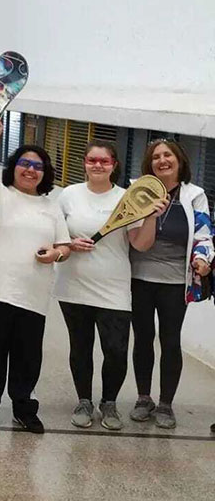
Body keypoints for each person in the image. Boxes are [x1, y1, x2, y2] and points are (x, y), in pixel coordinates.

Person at [0, 116, 70, 433]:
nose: (30, 170)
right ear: (13, 167)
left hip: (33, 295)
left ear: (45, 173)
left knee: (28, 358)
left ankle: (24, 409)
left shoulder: (51, 206)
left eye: (37, 166)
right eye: (24, 163)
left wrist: (56, 254)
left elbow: (64, 246)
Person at [56, 141, 161, 430]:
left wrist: (151, 217)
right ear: (84, 163)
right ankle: (84, 401)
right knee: (80, 347)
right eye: (92, 160)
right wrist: (69, 243)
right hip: (73, 286)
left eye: (104, 161)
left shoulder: (127, 198)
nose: (98, 165)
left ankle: (109, 403)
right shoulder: (69, 195)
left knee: (115, 350)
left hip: (114, 288)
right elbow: (54, 234)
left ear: (114, 165)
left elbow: (140, 244)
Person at [128, 138, 213, 429]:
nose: (162, 160)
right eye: (156, 157)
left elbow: (203, 233)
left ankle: (165, 404)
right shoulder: (137, 189)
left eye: (167, 155)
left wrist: (202, 259)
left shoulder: (195, 194)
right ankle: (143, 398)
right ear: (149, 163)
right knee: (142, 338)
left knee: (170, 340)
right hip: (139, 278)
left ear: (179, 160)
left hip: (175, 281)